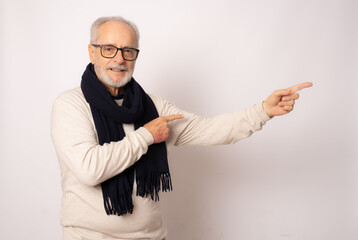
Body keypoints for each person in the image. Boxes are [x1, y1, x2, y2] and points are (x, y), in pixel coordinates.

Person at [50, 16, 312, 240]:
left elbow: (210, 129)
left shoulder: (152, 107)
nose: (119, 59)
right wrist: (146, 136)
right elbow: (89, 169)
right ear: (92, 52)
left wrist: (263, 110)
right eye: (109, 48)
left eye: (128, 51)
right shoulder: (70, 105)